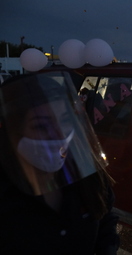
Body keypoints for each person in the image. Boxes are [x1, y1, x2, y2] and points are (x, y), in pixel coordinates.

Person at [0, 72, 119, 254]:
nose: (59, 134)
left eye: (64, 120)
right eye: (40, 126)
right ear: (12, 133)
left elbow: (104, 216)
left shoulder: (84, 173)